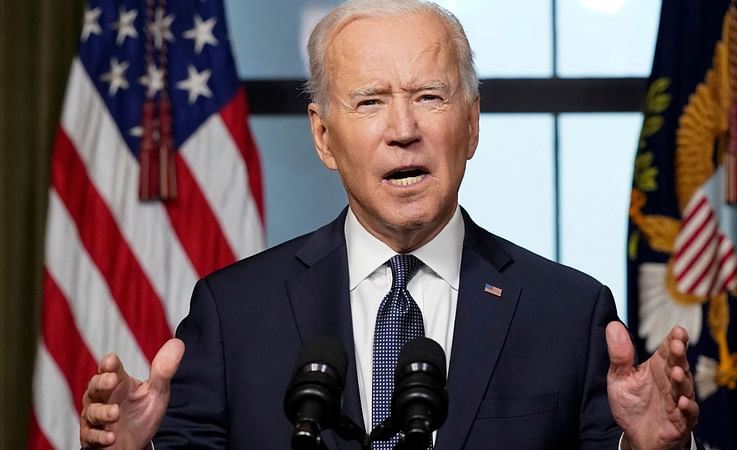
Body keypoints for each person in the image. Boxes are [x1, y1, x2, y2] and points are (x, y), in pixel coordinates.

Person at [79, 0, 698, 448]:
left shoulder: (569, 312)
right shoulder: (234, 311)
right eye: (370, 102)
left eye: (430, 96)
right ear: (323, 136)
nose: (404, 130)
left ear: (473, 123)